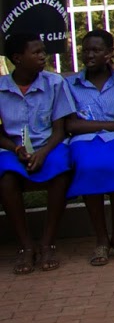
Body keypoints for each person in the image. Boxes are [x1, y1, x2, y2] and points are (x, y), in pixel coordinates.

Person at [64, 29, 114, 264]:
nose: (89, 55)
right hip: (84, 140)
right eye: (86, 50)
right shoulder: (71, 84)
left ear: (109, 54)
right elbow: (72, 124)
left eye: (96, 50)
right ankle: (101, 239)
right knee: (87, 165)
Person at [0, 31, 76, 274]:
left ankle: (47, 242)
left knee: (60, 172)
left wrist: (42, 153)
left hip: (49, 145)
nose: (43, 56)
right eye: (36, 52)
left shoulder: (54, 83)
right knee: (6, 178)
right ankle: (25, 246)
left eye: (43, 51)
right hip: (13, 150)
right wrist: (15, 148)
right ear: (17, 58)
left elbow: (59, 130)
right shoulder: (1, 89)